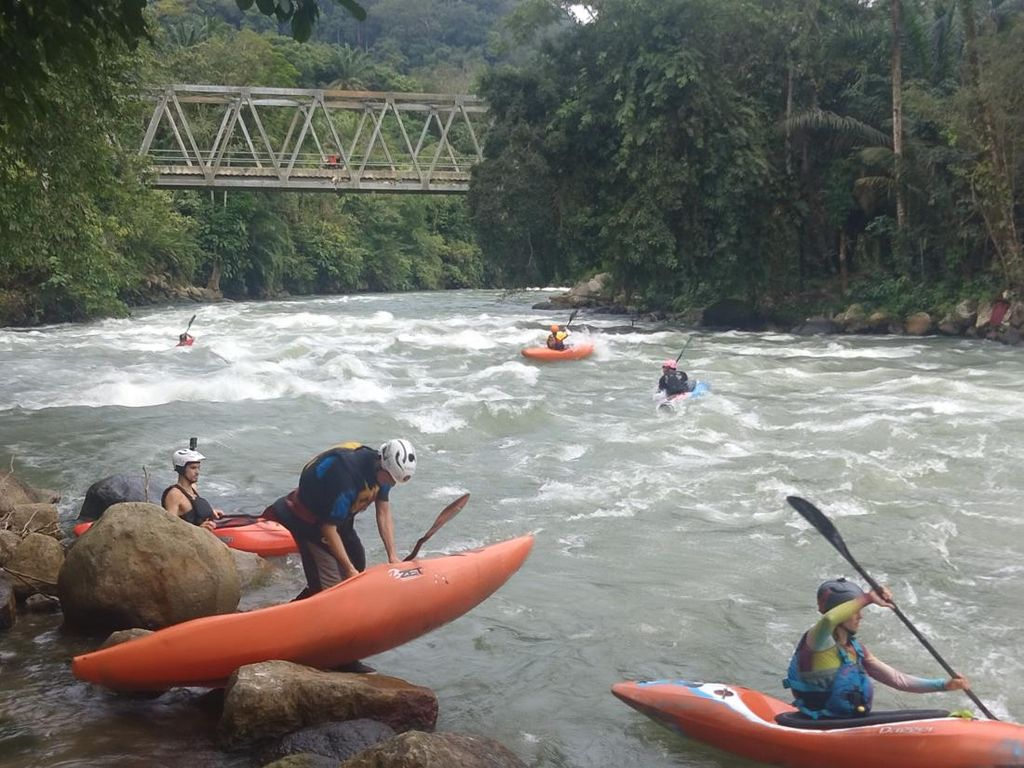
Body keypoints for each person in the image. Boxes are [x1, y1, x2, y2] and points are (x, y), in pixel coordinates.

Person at [264, 439, 416, 674]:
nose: (390, 485)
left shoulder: (384, 473)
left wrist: (393, 556)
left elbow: (383, 512)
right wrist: (348, 569)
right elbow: (327, 529)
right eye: (389, 479)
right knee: (333, 590)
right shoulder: (347, 476)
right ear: (381, 464)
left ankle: (291, 617)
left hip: (340, 521)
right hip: (308, 522)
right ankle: (338, 658)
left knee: (358, 562)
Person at [783, 577, 970, 719]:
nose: (860, 617)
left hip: (846, 722)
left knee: (938, 715)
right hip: (815, 721)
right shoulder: (817, 640)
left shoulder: (856, 650)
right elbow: (829, 619)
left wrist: (944, 685)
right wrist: (868, 598)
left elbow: (899, 680)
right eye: (855, 611)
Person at [162, 448, 224, 530]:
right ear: (182, 469)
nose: (197, 472)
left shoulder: (193, 487)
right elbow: (170, 527)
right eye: (193, 468)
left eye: (198, 468)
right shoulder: (174, 495)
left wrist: (211, 511)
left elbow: (194, 510)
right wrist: (198, 529)